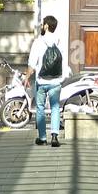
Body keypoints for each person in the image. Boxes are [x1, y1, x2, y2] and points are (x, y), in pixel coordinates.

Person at [27, 14, 68, 147]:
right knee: (55, 107)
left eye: (43, 23)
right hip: (56, 81)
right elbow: (63, 61)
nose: (41, 26)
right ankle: (55, 136)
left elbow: (32, 64)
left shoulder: (38, 42)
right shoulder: (59, 42)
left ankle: (42, 138)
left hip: (41, 81)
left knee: (40, 108)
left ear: (46, 26)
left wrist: (27, 77)